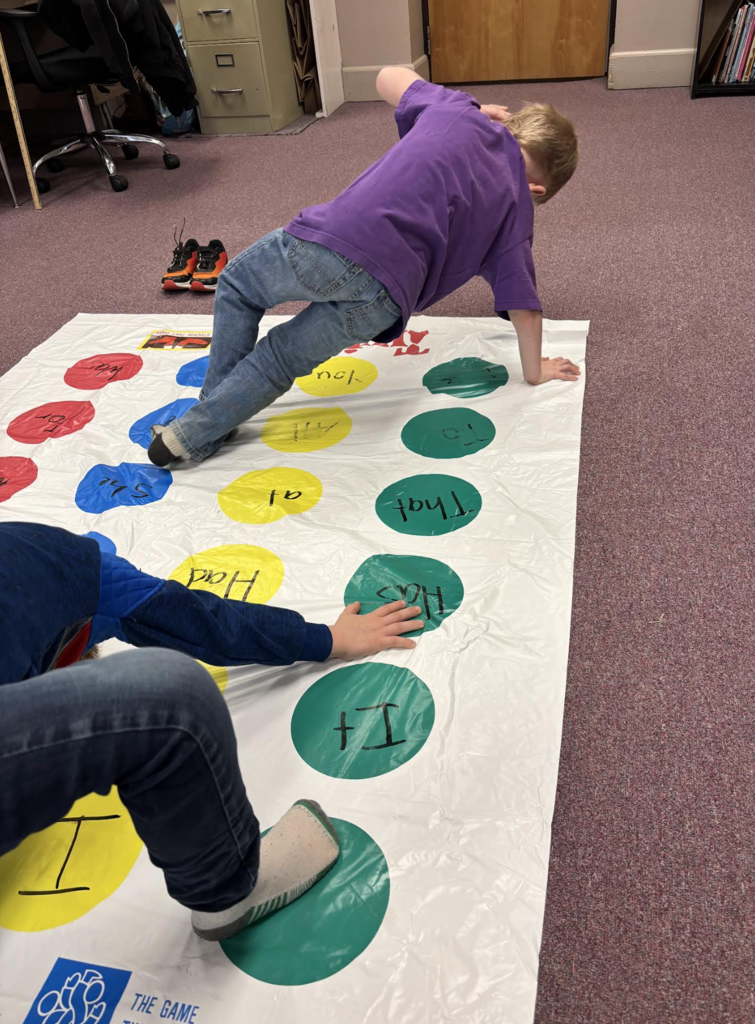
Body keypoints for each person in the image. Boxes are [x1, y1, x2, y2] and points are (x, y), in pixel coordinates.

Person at [0, 522, 424, 940]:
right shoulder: (88, 575)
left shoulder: (66, 579)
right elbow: (209, 623)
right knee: (170, 700)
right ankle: (226, 893)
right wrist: (327, 639)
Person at [148, 68, 581, 468]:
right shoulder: (517, 214)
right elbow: (525, 308)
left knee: (239, 286)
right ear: (537, 189)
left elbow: (387, 77)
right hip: (387, 300)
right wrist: (535, 372)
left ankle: (203, 422)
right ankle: (194, 433)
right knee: (279, 359)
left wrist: (471, 106)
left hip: (331, 243)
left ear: (506, 124)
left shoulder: (456, 110)